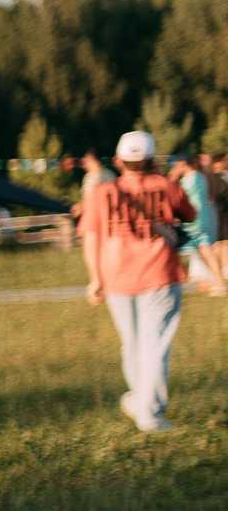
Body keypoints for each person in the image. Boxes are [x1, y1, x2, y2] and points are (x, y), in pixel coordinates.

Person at [83, 130, 193, 432]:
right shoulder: (167, 186)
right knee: (154, 345)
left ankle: (139, 399)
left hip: (116, 276)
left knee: (131, 344)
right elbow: (190, 214)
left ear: (118, 160)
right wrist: (159, 179)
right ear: (152, 160)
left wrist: (95, 279)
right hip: (160, 275)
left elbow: (91, 238)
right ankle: (150, 412)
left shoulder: (101, 192)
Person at [167, 155, 223, 296]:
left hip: (191, 222)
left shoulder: (188, 181)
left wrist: (172, 179)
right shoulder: (200, 177)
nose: (174, 168)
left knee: (178, 249)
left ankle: (184, 282)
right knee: (205, 249)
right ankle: (219, 282)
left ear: (183, 163)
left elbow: (174, 197)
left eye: (176, 165)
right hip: (201, 219)